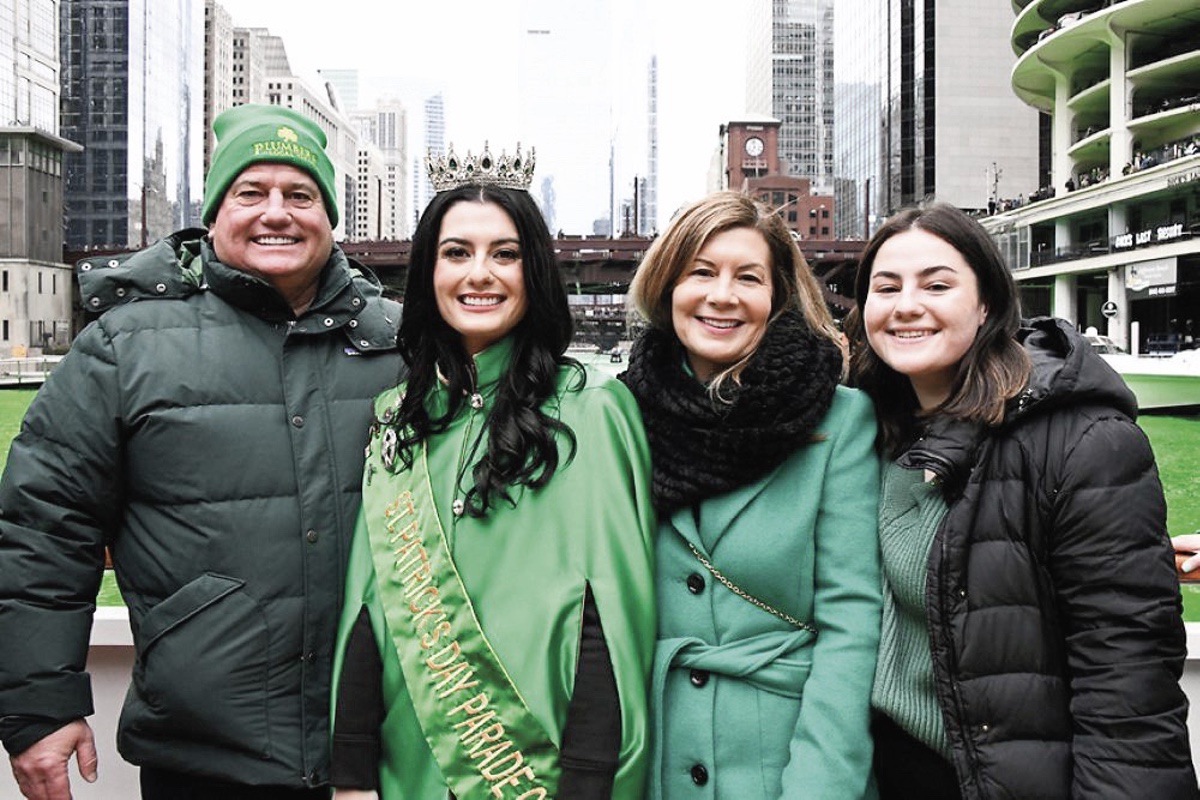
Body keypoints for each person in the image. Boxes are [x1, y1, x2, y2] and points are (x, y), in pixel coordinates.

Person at [0, 104, 404, 800]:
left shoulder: (401, 343)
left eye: (300, 195)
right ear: (215, 212)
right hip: (204, 755)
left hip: (381, 750)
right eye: (251, 193)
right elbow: (42, 528)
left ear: (329, 216)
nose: (276, 212)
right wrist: (39, 707)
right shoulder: (126, 347)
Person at [328, 145, 656, 799]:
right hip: (408, 766)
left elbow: (612, 622)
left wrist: (588, 784)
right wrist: (353, 772)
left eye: (504, 254)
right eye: (457, 253)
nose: (480, 274)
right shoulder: (398, 419)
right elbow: (368, 604)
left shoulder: (589, 406)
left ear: (533, 269)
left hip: (541, 772)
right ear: (428, 272)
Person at [847, 202, 1197, 798]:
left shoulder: (1084, 441)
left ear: (986, 304)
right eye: (887, 287)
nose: (907, 305)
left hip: (997, 778)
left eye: (936, 284)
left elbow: (1128, 690)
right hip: (876, 770)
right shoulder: (866, 429)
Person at [619, 191, 882, 798]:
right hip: (650, 761)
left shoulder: (840, 421)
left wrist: (818, 787)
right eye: (701, 272)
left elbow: (852, 623)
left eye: (748, 277)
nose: (722, 295)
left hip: (785, 761)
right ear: (667, 287)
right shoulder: (619, 414)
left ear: (777, 296)